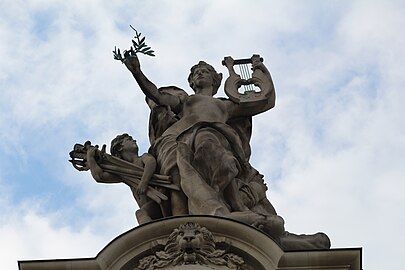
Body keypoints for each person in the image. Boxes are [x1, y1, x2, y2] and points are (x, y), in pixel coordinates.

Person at [123, 55, 276, 218]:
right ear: (191, 82)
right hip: (176, 138)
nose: (200, 74)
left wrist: (260, 70)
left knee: (210, 144)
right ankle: (182, 219)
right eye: (196, 73)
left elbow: (266, 101)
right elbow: (158, 96)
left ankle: (225, 202)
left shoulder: (226, 105)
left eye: (205, 72)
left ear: (216, 80)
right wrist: (137, 73)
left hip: (210, 136)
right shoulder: (186, 101)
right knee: (177, 180)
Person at [86, 133, 161, 224]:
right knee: (142, 214)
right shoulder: (123, 173)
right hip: (149, 204)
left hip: (159, 198)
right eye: (129, 139)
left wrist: (144, 182)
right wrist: (90, 158)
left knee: (141, 213)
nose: (134, 140)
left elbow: (151, 162)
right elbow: (100, 176)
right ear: (120, 147)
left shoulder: (142, 158)